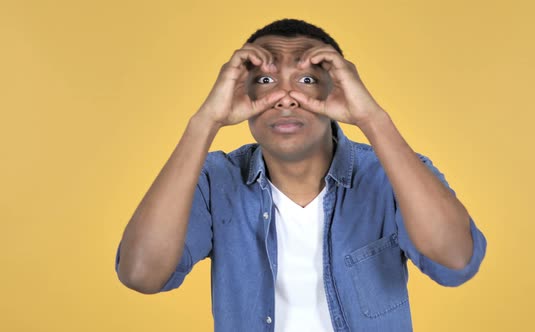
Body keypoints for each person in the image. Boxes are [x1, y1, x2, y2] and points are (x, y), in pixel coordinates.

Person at [114, 18, 487, 332]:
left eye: (307, 80)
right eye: (265, 80)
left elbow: (455, 259)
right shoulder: (215, 181)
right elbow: (142, 274)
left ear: (338, 90)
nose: (287, 97)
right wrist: (204, 122)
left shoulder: (393, 173)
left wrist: (372, 119)